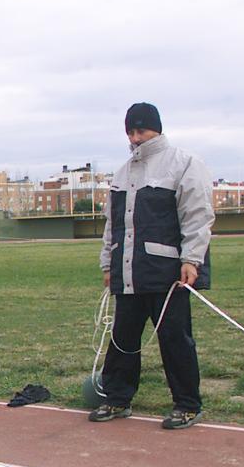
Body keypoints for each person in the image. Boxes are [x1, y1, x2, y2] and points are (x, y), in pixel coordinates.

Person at [90, 103, 216, 430]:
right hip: (128, 273)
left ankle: (187, 404)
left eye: (141, 131)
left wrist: (192, 259)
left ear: (156, 129)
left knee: (175, 340)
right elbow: (112, 225)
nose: (135, 138)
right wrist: (109, 264)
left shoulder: (184, 163)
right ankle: (117, 398)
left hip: (166, 275)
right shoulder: (121, 173)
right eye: (130, 131)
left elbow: (197, 216)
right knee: (122, 339)